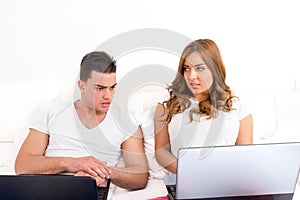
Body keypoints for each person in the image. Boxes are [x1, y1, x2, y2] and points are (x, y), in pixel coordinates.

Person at [14, 51, 149, 190]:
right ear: (81, 86)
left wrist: (103, 171)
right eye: (100, 88)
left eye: (112, 88)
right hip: (49, 187)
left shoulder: (125, 120)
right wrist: (72, 163)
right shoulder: (52, 111)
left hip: (93, 188)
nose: (108, 96)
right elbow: (23, 165)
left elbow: (140, 176)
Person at [154, 39, 253, 174]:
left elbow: (245, 156)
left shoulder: (237, 106)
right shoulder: (167, 103)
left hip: (228, 180)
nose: (191, 76)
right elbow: (161, 151)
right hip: (187, 179)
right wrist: (188, 172)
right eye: (186, 69)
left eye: (200, 68)